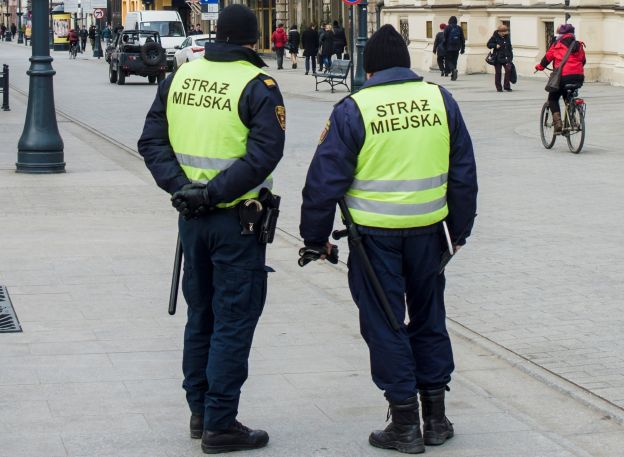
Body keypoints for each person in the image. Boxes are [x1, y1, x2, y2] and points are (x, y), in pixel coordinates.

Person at [299, 24, 477, 454]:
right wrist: (460, 232)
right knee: (429, 317)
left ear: (370, 67)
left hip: (374, 238)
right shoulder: (441, 100)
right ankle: (435, 418)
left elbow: (323, 184)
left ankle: (404, 423)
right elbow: (463, 174)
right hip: (430, 235)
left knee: (385, 324)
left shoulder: (353, 109)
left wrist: (314, 238)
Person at [137, 4, 285, 454]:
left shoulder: (179, 77)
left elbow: (151, 141)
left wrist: (183, 189)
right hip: (236, 221)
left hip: (192, 220)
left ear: (217, 35)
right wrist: (213, 193)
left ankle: (199, 412)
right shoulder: (258, 85)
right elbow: (263, 155)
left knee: (201, 315)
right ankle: (221, 422)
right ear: (252, 40)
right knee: (234, 319)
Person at [535, 23, 585, 134]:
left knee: (552, 98)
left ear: (561, 34)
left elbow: (548, 58)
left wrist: (540, 66)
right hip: (578, 77)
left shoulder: (557, 44)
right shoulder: (578, 45)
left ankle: (558, 124)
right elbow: (583, 61)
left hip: (563, 76)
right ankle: (573, 119)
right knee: (568, 96)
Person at [487, 24, 513, 92]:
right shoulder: (494, 37)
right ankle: (499, 88)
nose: (505, 33)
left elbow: (509, 47)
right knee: (498, 73)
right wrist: (495, 45)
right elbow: (488, 44)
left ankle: (507, 86)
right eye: (504, 32)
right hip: (497, 58)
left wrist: (510, 57)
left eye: (506, 32)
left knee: (508, 71)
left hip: (506, 58)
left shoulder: (507, 37)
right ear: (500, 32)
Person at [443, 16, 465, 81]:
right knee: (454, 61)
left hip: (449, 47)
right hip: (457, 47)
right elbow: (462, 39)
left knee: (448, 60)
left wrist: (444, 47)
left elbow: (445, 38)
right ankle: (453, 76)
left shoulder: (447, 28)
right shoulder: (459, 28)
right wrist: (463, 48)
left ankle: (453, 70)